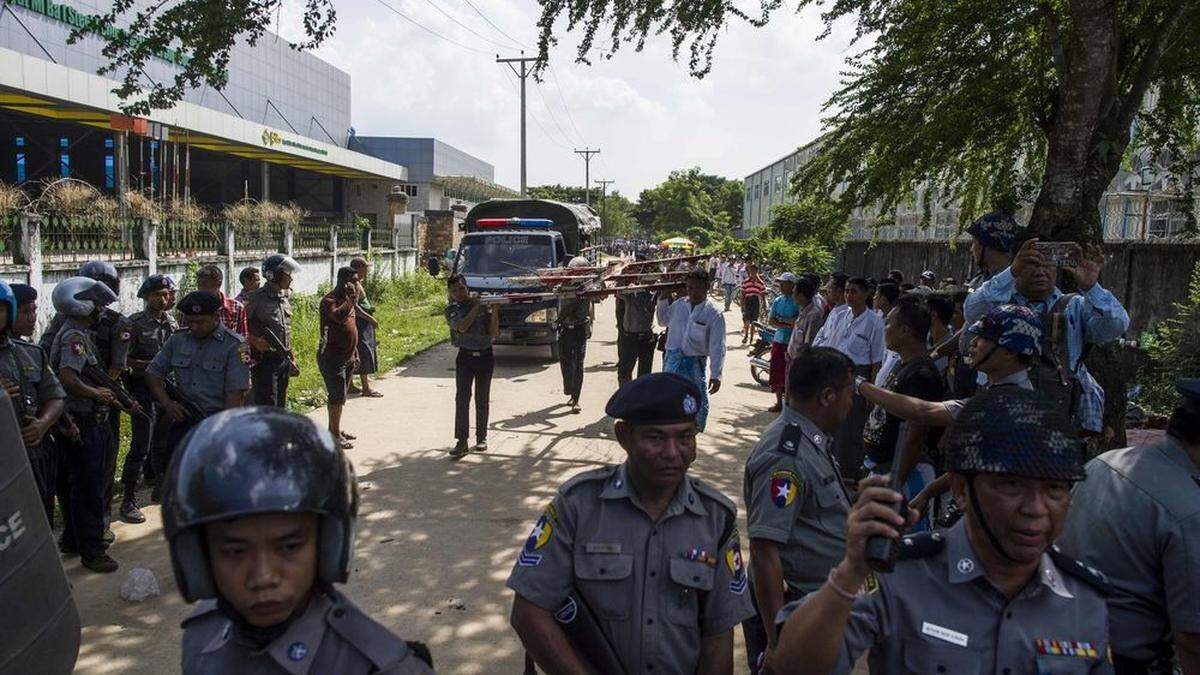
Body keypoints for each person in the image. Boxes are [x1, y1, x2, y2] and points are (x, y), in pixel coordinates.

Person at [770, 387, 1113, 675]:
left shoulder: (1086, 601)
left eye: (1054, 490)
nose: (1036, 509)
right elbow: (789, 667)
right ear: (961, 490)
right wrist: (849, 573)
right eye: (1011, 485)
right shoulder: (897, 576)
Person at [507, 372, 756, 674]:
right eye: (656, 438)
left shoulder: (716, 517)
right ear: (624, 436)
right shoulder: (577, 505)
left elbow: (718, 633)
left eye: (685, 437)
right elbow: (528, 612)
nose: (672, 453)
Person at [163, 407, 436, 674]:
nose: (263, 577)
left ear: (328, 546)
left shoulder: (381, 667)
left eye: (289, 547)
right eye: (235, 551)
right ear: (199, 556)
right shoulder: (201, 635)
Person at [1055, 378, 1200, 673]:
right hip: (1123, 660)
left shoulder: (1105, 462)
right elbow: (1192, 637)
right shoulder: (1189, 510)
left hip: (1056, 638)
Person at [741, 347, 855, 670]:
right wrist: (779, 638)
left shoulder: (808, 439)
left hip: (817, 608)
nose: (852, 401)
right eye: (850, 392)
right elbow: (765, 549)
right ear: (827, 396)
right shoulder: (786, 455)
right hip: (796, 614)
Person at [964, 237, 1130, 436]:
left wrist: (1092, 288)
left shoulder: (1075, 306)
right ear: (1016, 265)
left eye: (1048, 265)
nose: (1041, 272)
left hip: (1057, 416)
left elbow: (1116, 326)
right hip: (999, 409)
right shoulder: (998, 301)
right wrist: (1010, 274)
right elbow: (972, 310)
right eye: (1032, 265)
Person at [49, 276, 125, 573]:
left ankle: (73, 540)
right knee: (90, 486)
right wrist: (98, 393)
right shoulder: (74, 337)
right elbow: (68, 378)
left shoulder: (75, 333)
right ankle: (92, 551)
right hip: (83, 420)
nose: (102, 311)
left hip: (82, 419)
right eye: (98, 305)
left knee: (77, 485)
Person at [146, 290, 250, 493]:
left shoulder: (235, 346)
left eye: (200, 322)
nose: (193, 327)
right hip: (183, 423)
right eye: (190, 321)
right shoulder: (178, 340)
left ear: (215, 317)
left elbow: (235, 394)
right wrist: (168, 403)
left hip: (216, 423)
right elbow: (152, 374)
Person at [860, 295, 944, 530]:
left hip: (907, 476)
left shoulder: (922, 374)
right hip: (886, 470)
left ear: (905, 330)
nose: (884, 328)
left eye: (888, 323)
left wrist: (895, 485)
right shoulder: (903, 365)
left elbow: (915, 434)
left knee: (904, 544)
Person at [0, 281, 65, 524]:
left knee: (38, 523)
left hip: (33, 454)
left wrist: (43, 424)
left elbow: (55, 397)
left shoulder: (31, 352)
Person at [119, 274, 179, 523]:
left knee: (164, 441)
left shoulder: (171, 322)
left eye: (165, 294)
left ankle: (160, 486)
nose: (163, 299)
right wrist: (152, 365)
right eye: (157, 295)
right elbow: (124, 360)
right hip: (141, 388)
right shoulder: (133, 324)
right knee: (141, 445)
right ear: (146, 297)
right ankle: (128, 499)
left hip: (166, 388)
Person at [813, 277, 885, 480]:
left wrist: (872, 391)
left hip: (858, 377)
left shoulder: (875, 322)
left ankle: (848, 471)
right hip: (834, 372)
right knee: (829, 420)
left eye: (854, 291)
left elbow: (877, 359)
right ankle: (828, 465)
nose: (849, 296)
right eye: (846, 291)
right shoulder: (840, 314)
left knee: (850, 426)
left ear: (866, 294)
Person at [657, 268, 727, 432]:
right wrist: (663, 298)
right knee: (669, 403)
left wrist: (716, 374)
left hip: (694, 367)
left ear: (707, 287)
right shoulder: (679, 305)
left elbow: (718, 346)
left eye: (697, 288)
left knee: (694, 405)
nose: (693, 292)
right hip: (671, 365)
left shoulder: (714, 313)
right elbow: (662, 321)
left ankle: (689, 434)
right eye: (689, 288)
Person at [445, 274, 498, 459]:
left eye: (461, 288)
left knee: (482, 399)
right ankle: (462, 441)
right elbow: (462, 327)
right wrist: (477, 306)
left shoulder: (484, 305)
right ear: (449, 293)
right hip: (465, 357)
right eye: (454, 290)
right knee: (462, 399)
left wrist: (495, 310)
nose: (458, 293)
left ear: (467, 288)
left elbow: (493, 332)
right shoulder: (452, 309)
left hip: (485, 356)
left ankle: (481, 437)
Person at [244, 253, 301, 408]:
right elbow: (238, 327)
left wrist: (291, 356)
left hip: (283, 358)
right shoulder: (255, 298)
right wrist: (254, 340)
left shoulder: (283, 298)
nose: (290, 278)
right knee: (268, 405)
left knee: (281, 405)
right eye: (287, 274)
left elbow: (285, 330)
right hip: (263, 360)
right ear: (274, 275)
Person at [319, 267, 360, 449]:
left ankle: (334, 429)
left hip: (348, 356)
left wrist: (355, 352)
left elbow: (352, 326)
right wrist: (351, 300)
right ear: (344, 282)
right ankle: (334, 434)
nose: (358, 285)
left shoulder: (348, 301)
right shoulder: (329, 301)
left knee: (341, 397)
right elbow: (338, 317)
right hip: (332, 357)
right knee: (336, 396)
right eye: (355, 281)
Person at [557, 257, 594, 413]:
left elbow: (598, 297)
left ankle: (576, 399)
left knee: (578, 364)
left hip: (579, 328)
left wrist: (590, 323)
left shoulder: (588, 286)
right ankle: (570, 390)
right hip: (564, 328)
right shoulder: (562, 284)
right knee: (565, 362)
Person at [348, 258, 382, 399]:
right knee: (364, 353)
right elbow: (355, 307)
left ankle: (350, 385)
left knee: (356, 352)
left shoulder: (357, 283)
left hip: (362, 323)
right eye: (365, 268)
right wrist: (370, 319)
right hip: (360, 324)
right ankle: (366, 387)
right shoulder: (354, 284)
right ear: (359, 268)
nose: (367, 271)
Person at [767, 273, 800, 413]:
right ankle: (779, 402)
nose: (781, 286)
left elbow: (797, 321)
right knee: (776, 371)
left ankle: (789, 404)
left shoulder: (797, 301)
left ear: (792, 285)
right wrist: (786, 322)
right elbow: (771, 320)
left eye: (784, 283)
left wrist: (783, 321)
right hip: (778, 339)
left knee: (790, 373)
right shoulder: (778, 301)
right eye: (780, 283)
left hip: (792, 342)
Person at [965, 211, 1019, 292]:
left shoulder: (1020, 284)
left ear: (987, 245)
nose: (971, 249)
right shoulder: (977, 282)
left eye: (974, 243)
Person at [616, 285, 657, 386]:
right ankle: (627, 397)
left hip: (646, 337)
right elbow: (618, 291)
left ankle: (640, 399)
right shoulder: (630, 291)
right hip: (630, 337)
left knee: (644, 375)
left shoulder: (654, 291)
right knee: (624, 373)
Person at [196, 264, 248, 339]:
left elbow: (243, 340)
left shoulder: (236, 308)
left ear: (219, 284)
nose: (201, 289)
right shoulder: (191, 308)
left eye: (205, 285)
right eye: (198, 284)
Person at [784, 277, 824, 361]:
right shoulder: (802, 310)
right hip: (792, 359)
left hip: (800, 362)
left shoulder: (813, 315)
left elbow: (809, 344)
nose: (792, 296)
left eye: (794, 293)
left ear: (801, 295)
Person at [740, 262, 767, 344]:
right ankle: (746, 336)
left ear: (757, 271)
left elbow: (763, 294)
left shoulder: (760, 282)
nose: (752, 273)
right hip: (748, 301)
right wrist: (742, 304)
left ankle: (751, 338)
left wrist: (764, 305)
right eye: (751, 271)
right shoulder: (746, 282)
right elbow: (743, 294)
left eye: (754, 271)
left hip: (756, 301)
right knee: (747, 320)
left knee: (754, 321)